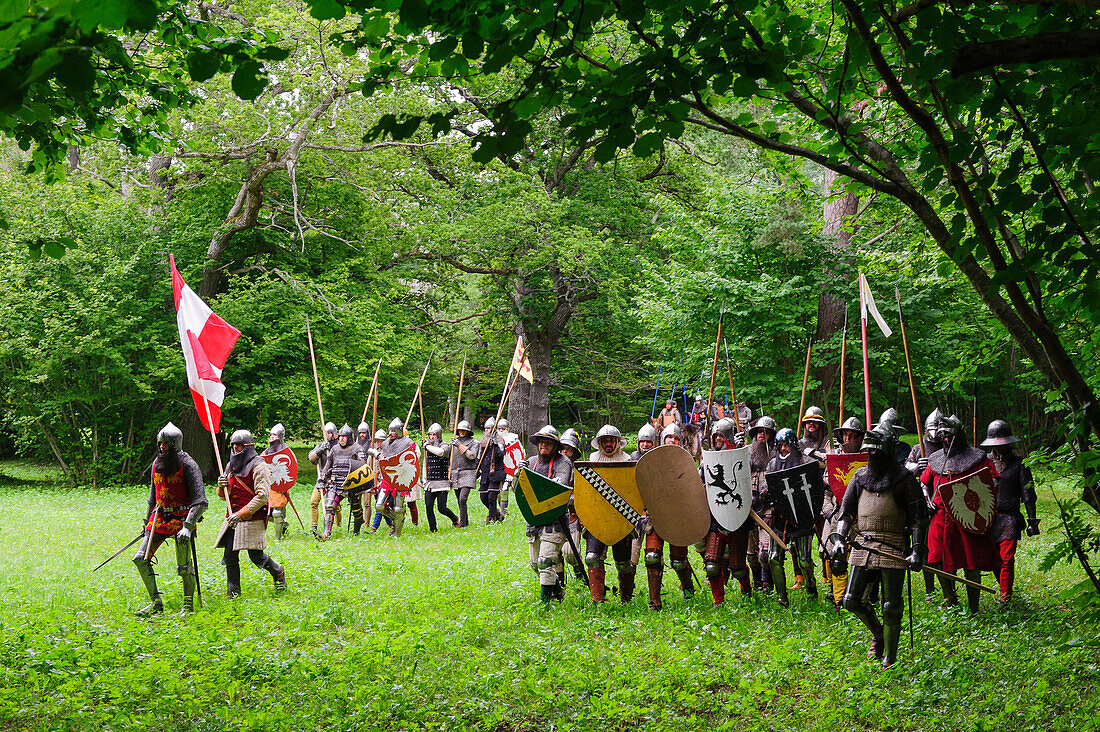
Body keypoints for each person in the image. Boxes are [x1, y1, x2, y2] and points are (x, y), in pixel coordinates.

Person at [827, 426, 926, 668]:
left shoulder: (904, 480)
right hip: (863, 543)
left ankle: (890, 658)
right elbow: (846, 513)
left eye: (876, 449)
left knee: (891, 605)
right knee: (851, 600)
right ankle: (880, 634)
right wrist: (839, 538)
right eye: (868, 449)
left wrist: (917, 549)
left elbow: (918, 519)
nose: (871, 453)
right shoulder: (859, 478)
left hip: (893, 544)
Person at [921, 414, 998, 613]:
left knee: (971, 561)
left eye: (950, 435)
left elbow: (993, 482)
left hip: (968, 516)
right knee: (937, 558)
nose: (946, 439)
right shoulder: (936, 460)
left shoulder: (977, 458)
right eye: (943, 436)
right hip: (939, 516)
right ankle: (950, 597)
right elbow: (924, 482)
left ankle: (974, 607)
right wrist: (927, 499)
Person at [133, 422, 207, 616]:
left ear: (175, 444)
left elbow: (201, 501)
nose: (162, 447)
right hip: (159, 517)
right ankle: (156, 603)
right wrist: (146, 524)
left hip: (182, 518)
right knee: (140, 558)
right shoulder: (156, 464)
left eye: (166, 444)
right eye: (160, 443)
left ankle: (188, 607)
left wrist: (188, 526)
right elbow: (153, 497)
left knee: (184, 567)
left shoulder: (188, 464)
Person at [215, 430, 286, 597]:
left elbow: (262, 496)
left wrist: (241, 513)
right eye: (233, 446)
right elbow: (222, 495)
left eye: (238, 446)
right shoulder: (230, 466)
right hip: (232, 517)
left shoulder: (259, 466)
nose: (235, 449)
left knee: (256, 556)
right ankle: (233, 591)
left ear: (247, 447)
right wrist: (221, 485)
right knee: (230, 556)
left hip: (251, 517)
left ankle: (277, 571)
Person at [980, 419, 1040, 607]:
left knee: (1006, 559)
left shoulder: (1019, 464)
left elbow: (1028, 494)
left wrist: (1032, 521)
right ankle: (1004, 586)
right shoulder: (983, 462)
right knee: (993, 560)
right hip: (988, 518)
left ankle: (1005, 595)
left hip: (1009, 518)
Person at [762, 428, 818, 606]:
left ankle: (811, 590)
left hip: (801, 516)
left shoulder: (805, 461)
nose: (783, 449)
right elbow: (766, 487)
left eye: (786, 445)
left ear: (793, 445)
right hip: (779, 516)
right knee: (773, 557)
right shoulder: (772, 464)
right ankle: (781, 596)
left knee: (804, 559)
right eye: (780, 446)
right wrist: (766, 492)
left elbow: (815, 486)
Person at [583, 424, 636, 603]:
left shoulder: (628, 461)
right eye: (604, 441)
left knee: (623, 563)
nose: (608, 444)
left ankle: (626, 599)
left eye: (611, 440)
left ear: (618, 442)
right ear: (599, 443)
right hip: (597, 517)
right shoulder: (591, 460)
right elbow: (586, 492)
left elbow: (632, 492)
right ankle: (598, 600)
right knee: (592, 558)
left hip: (621, 516)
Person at [524, 425, 575, 603]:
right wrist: (520, 474)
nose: (544, 445)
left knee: (545, 561)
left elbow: (557, 489)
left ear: (554, 446)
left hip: (555, 520)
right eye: (542, 442)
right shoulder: (531, 462)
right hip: (534, 520)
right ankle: (557, 591)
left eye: (548, 442)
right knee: (535, 564)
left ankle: (544, 603)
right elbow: (523, 491)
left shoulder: (563, 463)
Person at [821, 416, 866, 608]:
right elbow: (827, 488)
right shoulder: (835, 458)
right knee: (833, 554)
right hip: (838, 513)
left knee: (861, 557)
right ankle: (838, 598)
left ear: (859, 438)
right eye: (845, 435)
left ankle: (861, 596)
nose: (847, 439)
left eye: (852, 435)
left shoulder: (868, 458)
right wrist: (829, 511)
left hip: (861, 515)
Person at [904, 408, 944, 601]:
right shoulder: (918, 448)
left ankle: (947, 587)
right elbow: (905, 467)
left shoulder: (947, 446)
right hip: (920, 501)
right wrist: (916, 466)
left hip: (941, 501)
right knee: (924, 547)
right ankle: (930, 589)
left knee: (942, 548)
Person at [319, 424, 366, 539]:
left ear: (349, 437)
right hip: (335, 484)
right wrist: (321, 480)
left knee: (356, 510)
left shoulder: (357, 448)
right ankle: (326, 534)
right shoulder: (334, 449)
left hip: (352, 484)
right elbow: (327, 466)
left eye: (344, 436)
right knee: (329, 507)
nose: (341, 439)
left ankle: (357, 529)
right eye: (340, 436)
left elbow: (363, 467)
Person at [747, 416, 777, 592]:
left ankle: (768, 583)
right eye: (759, 431)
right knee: (751, 555)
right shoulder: (746, 453)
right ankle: (757, 582)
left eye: (766, 432)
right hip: (749, 510)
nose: (761, 435)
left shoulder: (776, 457)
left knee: (765, 553)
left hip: (768, 508)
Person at [372, 418, 416, 536]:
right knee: (379, 506)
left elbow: (412, 459)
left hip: (402, 478)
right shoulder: (386, 443)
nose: (390, 433)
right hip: (388, 478)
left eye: (393, 431)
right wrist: (376, 454)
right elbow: (384, 460)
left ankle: (397, 533)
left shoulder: (408, 443)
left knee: (398, 508)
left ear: (399, 431)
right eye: (389, 430)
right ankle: (398, 519)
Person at [558, 428, 587, 584]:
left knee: (570, 552)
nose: (565, 452)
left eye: (569, 449)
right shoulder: (551, 465)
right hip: (554, 515)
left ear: (574, 451)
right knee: (552, 554)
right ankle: (558, 582)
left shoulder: (581, 470)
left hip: (573, 515)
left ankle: (579, 572)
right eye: (563, 448)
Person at [422, 423, 460, 532]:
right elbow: (426, 464)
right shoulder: (427, 447)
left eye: (434, 434)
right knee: (428, 507)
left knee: (441, 508)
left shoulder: (445, 445)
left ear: (439, 435)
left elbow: (440, 452)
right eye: (430, 434)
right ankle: (433, 529)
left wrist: (427, 446)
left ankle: (454, 518)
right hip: (430, 482)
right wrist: (424, 479)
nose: (431, 437)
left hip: (442, 482)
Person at [307, 422, 339, 534]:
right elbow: (311, 458)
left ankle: (338, 526)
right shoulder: (322, 444)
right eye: (327, 433)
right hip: (322, 479)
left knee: (336, 505)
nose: (328, 435)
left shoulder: (339, 446)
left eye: (330, 433)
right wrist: (320, 450)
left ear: (334, 434)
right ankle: (314, 527)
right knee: (313, 502)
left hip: (335, 478)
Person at [450, 420, 480, 528]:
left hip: (468, 473)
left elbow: (472, 456)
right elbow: (446, 455)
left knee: (463, 499)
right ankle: (465, 521)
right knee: (459, 500)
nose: (461, 432)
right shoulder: (454, 442)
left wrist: (459, 445)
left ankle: (462, 524)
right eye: (460, 430)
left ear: (468, 431)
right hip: (456, 474)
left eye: (464, 430)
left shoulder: (474, 443)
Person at [263, 423, 291, 540]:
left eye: (274, 435)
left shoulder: (286, 451)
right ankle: (282, 524)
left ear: (280, 436)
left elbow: (291, 468)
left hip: (280, 486)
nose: (272, 437)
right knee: (263, 512)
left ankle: (278, 538)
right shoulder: (266, 452)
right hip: (268, 486)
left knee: (277, 512)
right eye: (271, 435)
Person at [477, 417, 506, 524]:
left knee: (491, 496)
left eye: (489, 429)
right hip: (485, 473)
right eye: (486, 429)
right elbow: (480, 458)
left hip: (496, 472)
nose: (487, 431)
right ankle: (497, 514)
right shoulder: (483, 441)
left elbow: (501, 454)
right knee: (483, 497)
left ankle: (491, 518)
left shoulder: (500, 440)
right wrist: (477, 468)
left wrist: (494, 444)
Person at [368, 429, 395, 533]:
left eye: (380, 441)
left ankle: (374, 528)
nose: (378, 443)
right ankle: (390, 522)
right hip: (374, 481)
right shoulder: (372, 452)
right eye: (377, 441)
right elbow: (368, 466)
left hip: (384, 482)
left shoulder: (387, 452)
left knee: (379, 505)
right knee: (380, 503)